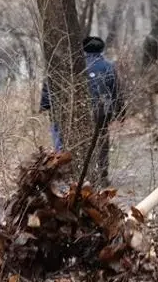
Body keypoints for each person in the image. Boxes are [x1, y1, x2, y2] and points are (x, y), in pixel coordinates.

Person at [39, 36, 123, 184]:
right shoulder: (108, 67)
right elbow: (115, 91)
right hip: (101, 112)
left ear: (82, 48)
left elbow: (50, 85)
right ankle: (101, 175)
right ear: (101, 49)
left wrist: (45, 105)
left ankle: (71, 175)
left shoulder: (71, 65)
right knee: (101, 141)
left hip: (74, 110)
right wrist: (120, 112)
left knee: (71, 142)